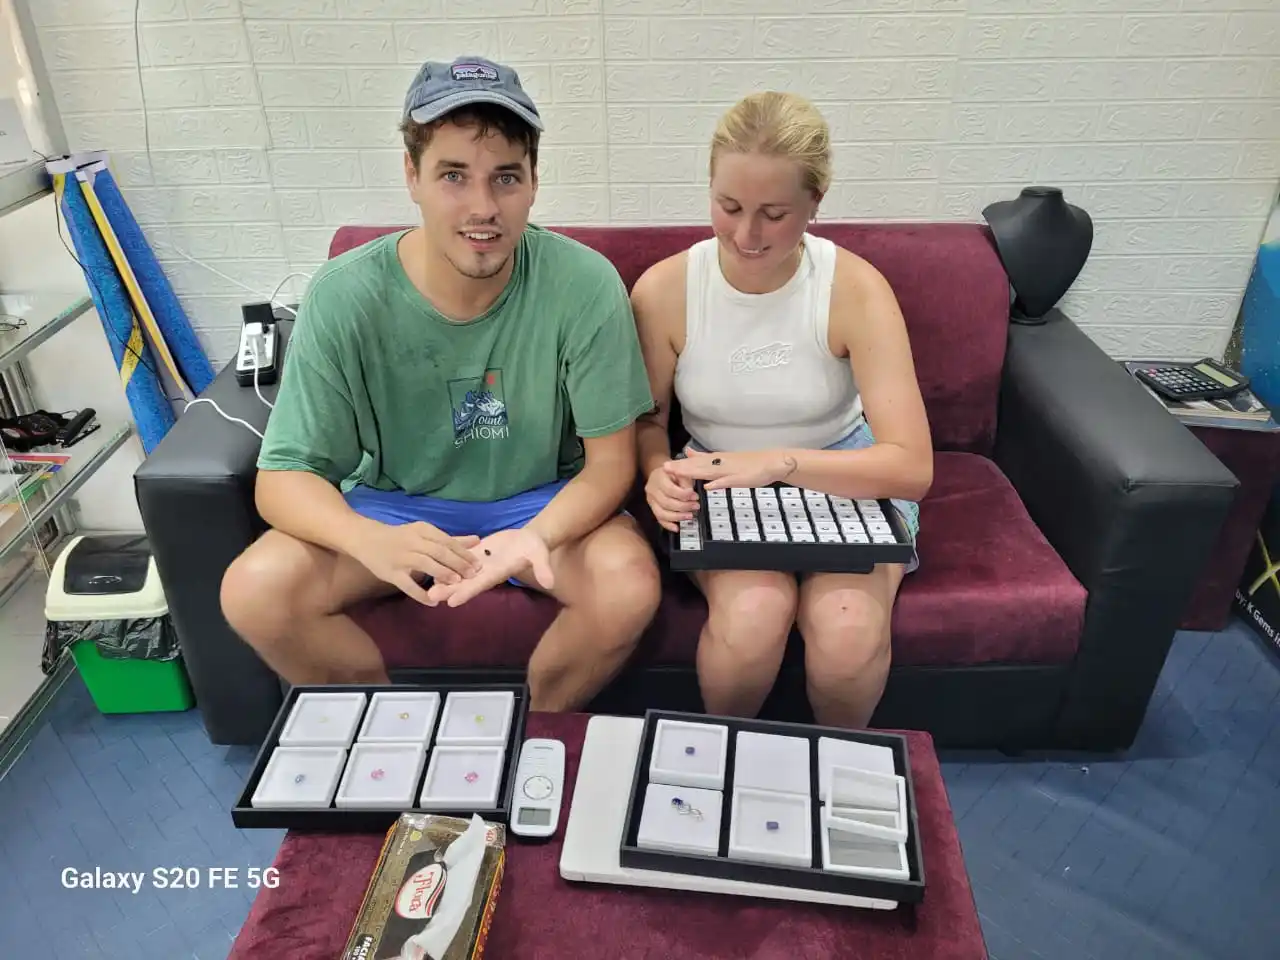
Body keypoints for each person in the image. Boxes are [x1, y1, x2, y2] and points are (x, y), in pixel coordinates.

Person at [220, 56, 661, 712]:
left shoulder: (585, 283)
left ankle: (532, 734)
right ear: (412, 176)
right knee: (254, 590)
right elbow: (284, 477)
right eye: (454, 176)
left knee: (627, 586)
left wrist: (538, 536)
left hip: (539, 503)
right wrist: (368, 539)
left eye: (505, 177)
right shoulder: (345, 294)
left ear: (534, 181)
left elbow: (611, 466)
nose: (483, 208)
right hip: (396, 507)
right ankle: (392, 736)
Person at [632, 91, 933, 729]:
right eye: (729, 207)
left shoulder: (855, 288)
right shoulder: (664, 290)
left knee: (848, 632)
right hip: (717, 475)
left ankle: (830, 767)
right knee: (751, 618)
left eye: (774, 214)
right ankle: (725, 763)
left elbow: (911, 468)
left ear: (815, 203)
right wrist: (657, 471)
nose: (746, 235)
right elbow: (648, 423)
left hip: (845, 472)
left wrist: (779, 463)